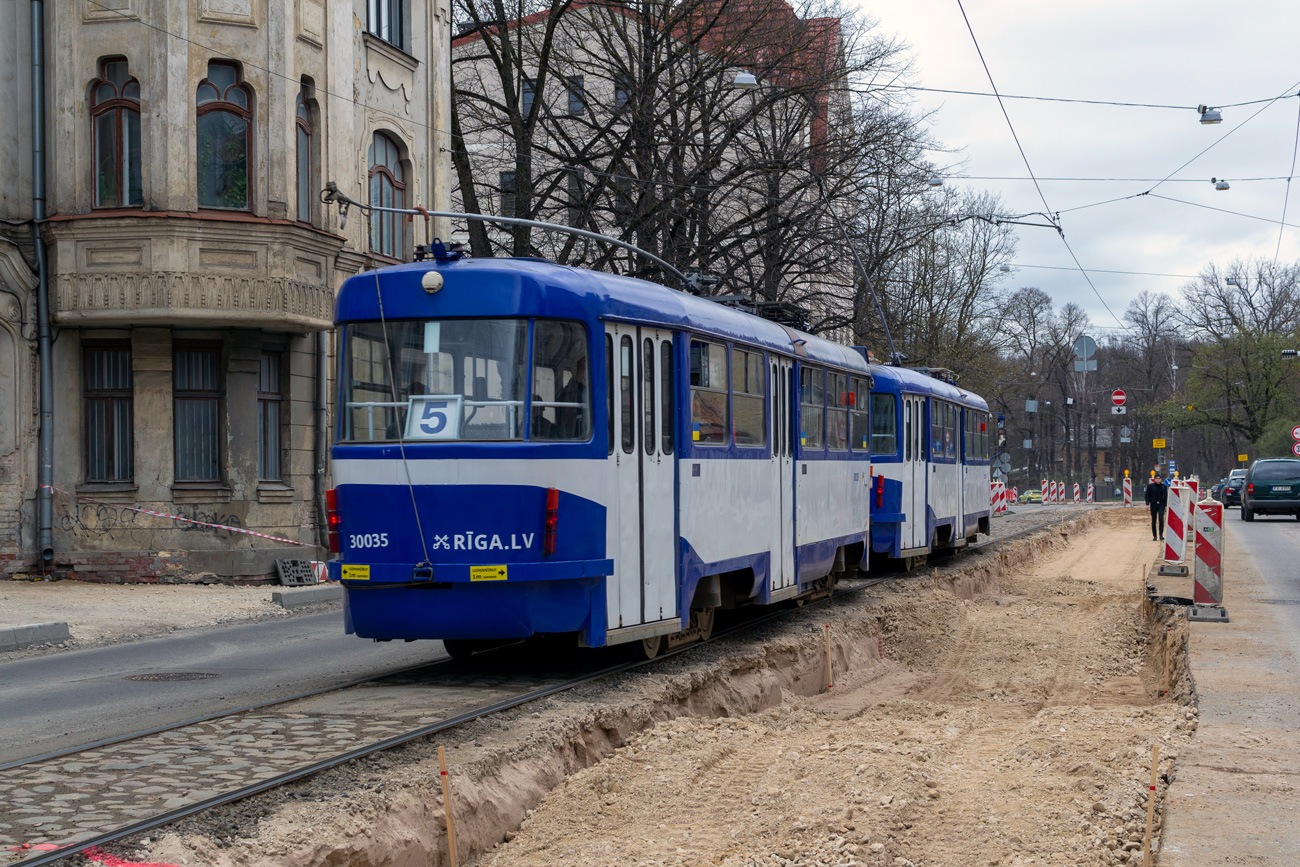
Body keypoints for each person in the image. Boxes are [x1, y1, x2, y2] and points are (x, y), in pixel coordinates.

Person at [1145, 472, 1168, 541]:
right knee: (1154, 520)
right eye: (1157, 478)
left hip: (1161, 505)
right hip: (1153, 505)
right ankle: (1155, 536)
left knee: (1161, 519)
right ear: (1154, 479)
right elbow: (1147, 495)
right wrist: (1147, 504)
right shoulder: (1150, 486)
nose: (1158, 479)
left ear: (1161, 479)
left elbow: (1166, 496)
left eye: (1159, 478)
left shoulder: (1164, 487)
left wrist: (1166, 505)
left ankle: (1161, 535)